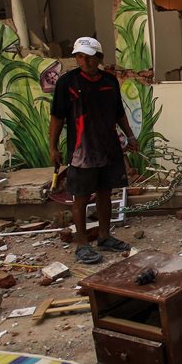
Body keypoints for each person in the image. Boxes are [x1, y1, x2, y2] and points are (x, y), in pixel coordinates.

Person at [50, 36, 138, 264]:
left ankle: (104, 236)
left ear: (99, 58)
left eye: (89, 57)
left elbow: (119, 112)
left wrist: (130, 135)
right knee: (80, 197)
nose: (85, 62)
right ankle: (82, 244)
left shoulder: (109, 81)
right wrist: (53, 147)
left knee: (105, 193)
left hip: (108, 147)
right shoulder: (67, 83)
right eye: (80, 57)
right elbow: (57, 117)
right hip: (82, 151)